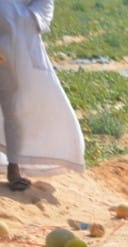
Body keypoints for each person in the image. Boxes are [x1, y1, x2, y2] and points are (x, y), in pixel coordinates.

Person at [0, 0, 84, 191]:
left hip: (16, 51)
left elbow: (42, 7)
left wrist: (18, 19)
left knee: (15, 108)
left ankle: (14, 167)